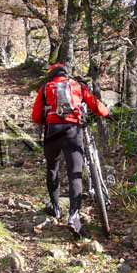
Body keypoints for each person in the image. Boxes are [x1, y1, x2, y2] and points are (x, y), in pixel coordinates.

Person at [31, 63, 110, 237]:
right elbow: (97, 106)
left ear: (52, 75)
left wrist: (47, 118)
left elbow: (35, 116)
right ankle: (74, 215)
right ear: (67, 74)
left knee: (53, 168)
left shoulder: (46, 88)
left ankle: (56, 207)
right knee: (75, 173)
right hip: (73, 132)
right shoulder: (77, 86)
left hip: (53, 132)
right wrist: (106, 112)